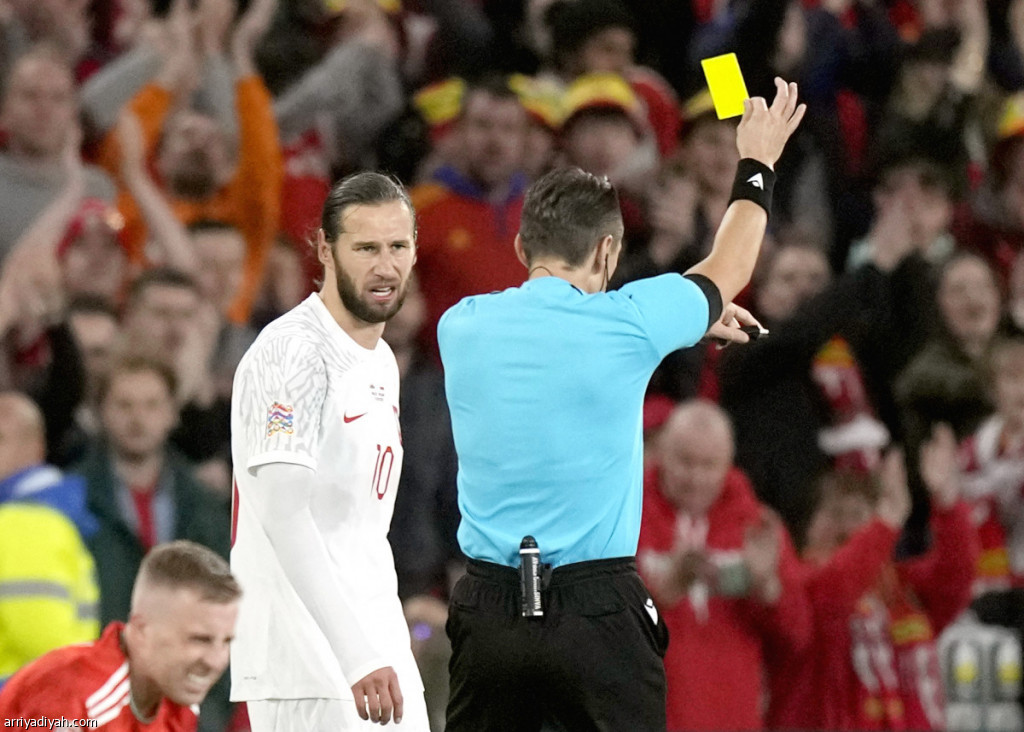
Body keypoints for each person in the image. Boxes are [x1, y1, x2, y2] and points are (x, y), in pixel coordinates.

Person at [438, 78, 806, 730]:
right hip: (596, 612)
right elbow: (729, 268)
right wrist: (758, 162)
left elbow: (561, 336)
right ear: (608, 251)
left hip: (489, 612)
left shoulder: (460, 325)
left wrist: (681, 322)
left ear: (523, 249)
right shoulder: (629, 323)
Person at [230, 171, 429, 730]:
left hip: (376, 645)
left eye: (397, 247)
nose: (385, 266)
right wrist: (356, 656)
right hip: (308, 662)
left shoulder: (380, 360)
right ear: (324, 248)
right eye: (366, 249)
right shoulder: (292, 353)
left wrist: (373, 650)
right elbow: (283, 513)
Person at [638, 400, 811, 731]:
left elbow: (797, 638)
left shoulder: (758, 527)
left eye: (709, 465)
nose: (696, 478)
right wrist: (661, 595)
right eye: (685, 462)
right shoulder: (629, 519)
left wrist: (767, 588)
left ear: (728, 463)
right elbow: (599, 636)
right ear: (662, 454)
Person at [0, 539, 240, 730]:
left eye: (227, 641)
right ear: (142, 630)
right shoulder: (69, 695)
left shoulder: (179, 705)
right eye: (199, 640)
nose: (216, 661)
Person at [0, 391, 99, 689]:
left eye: (1, 439)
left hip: (21, 698)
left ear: (35, 447)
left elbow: (41, 636)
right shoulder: (47, 512)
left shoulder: (25, 520)